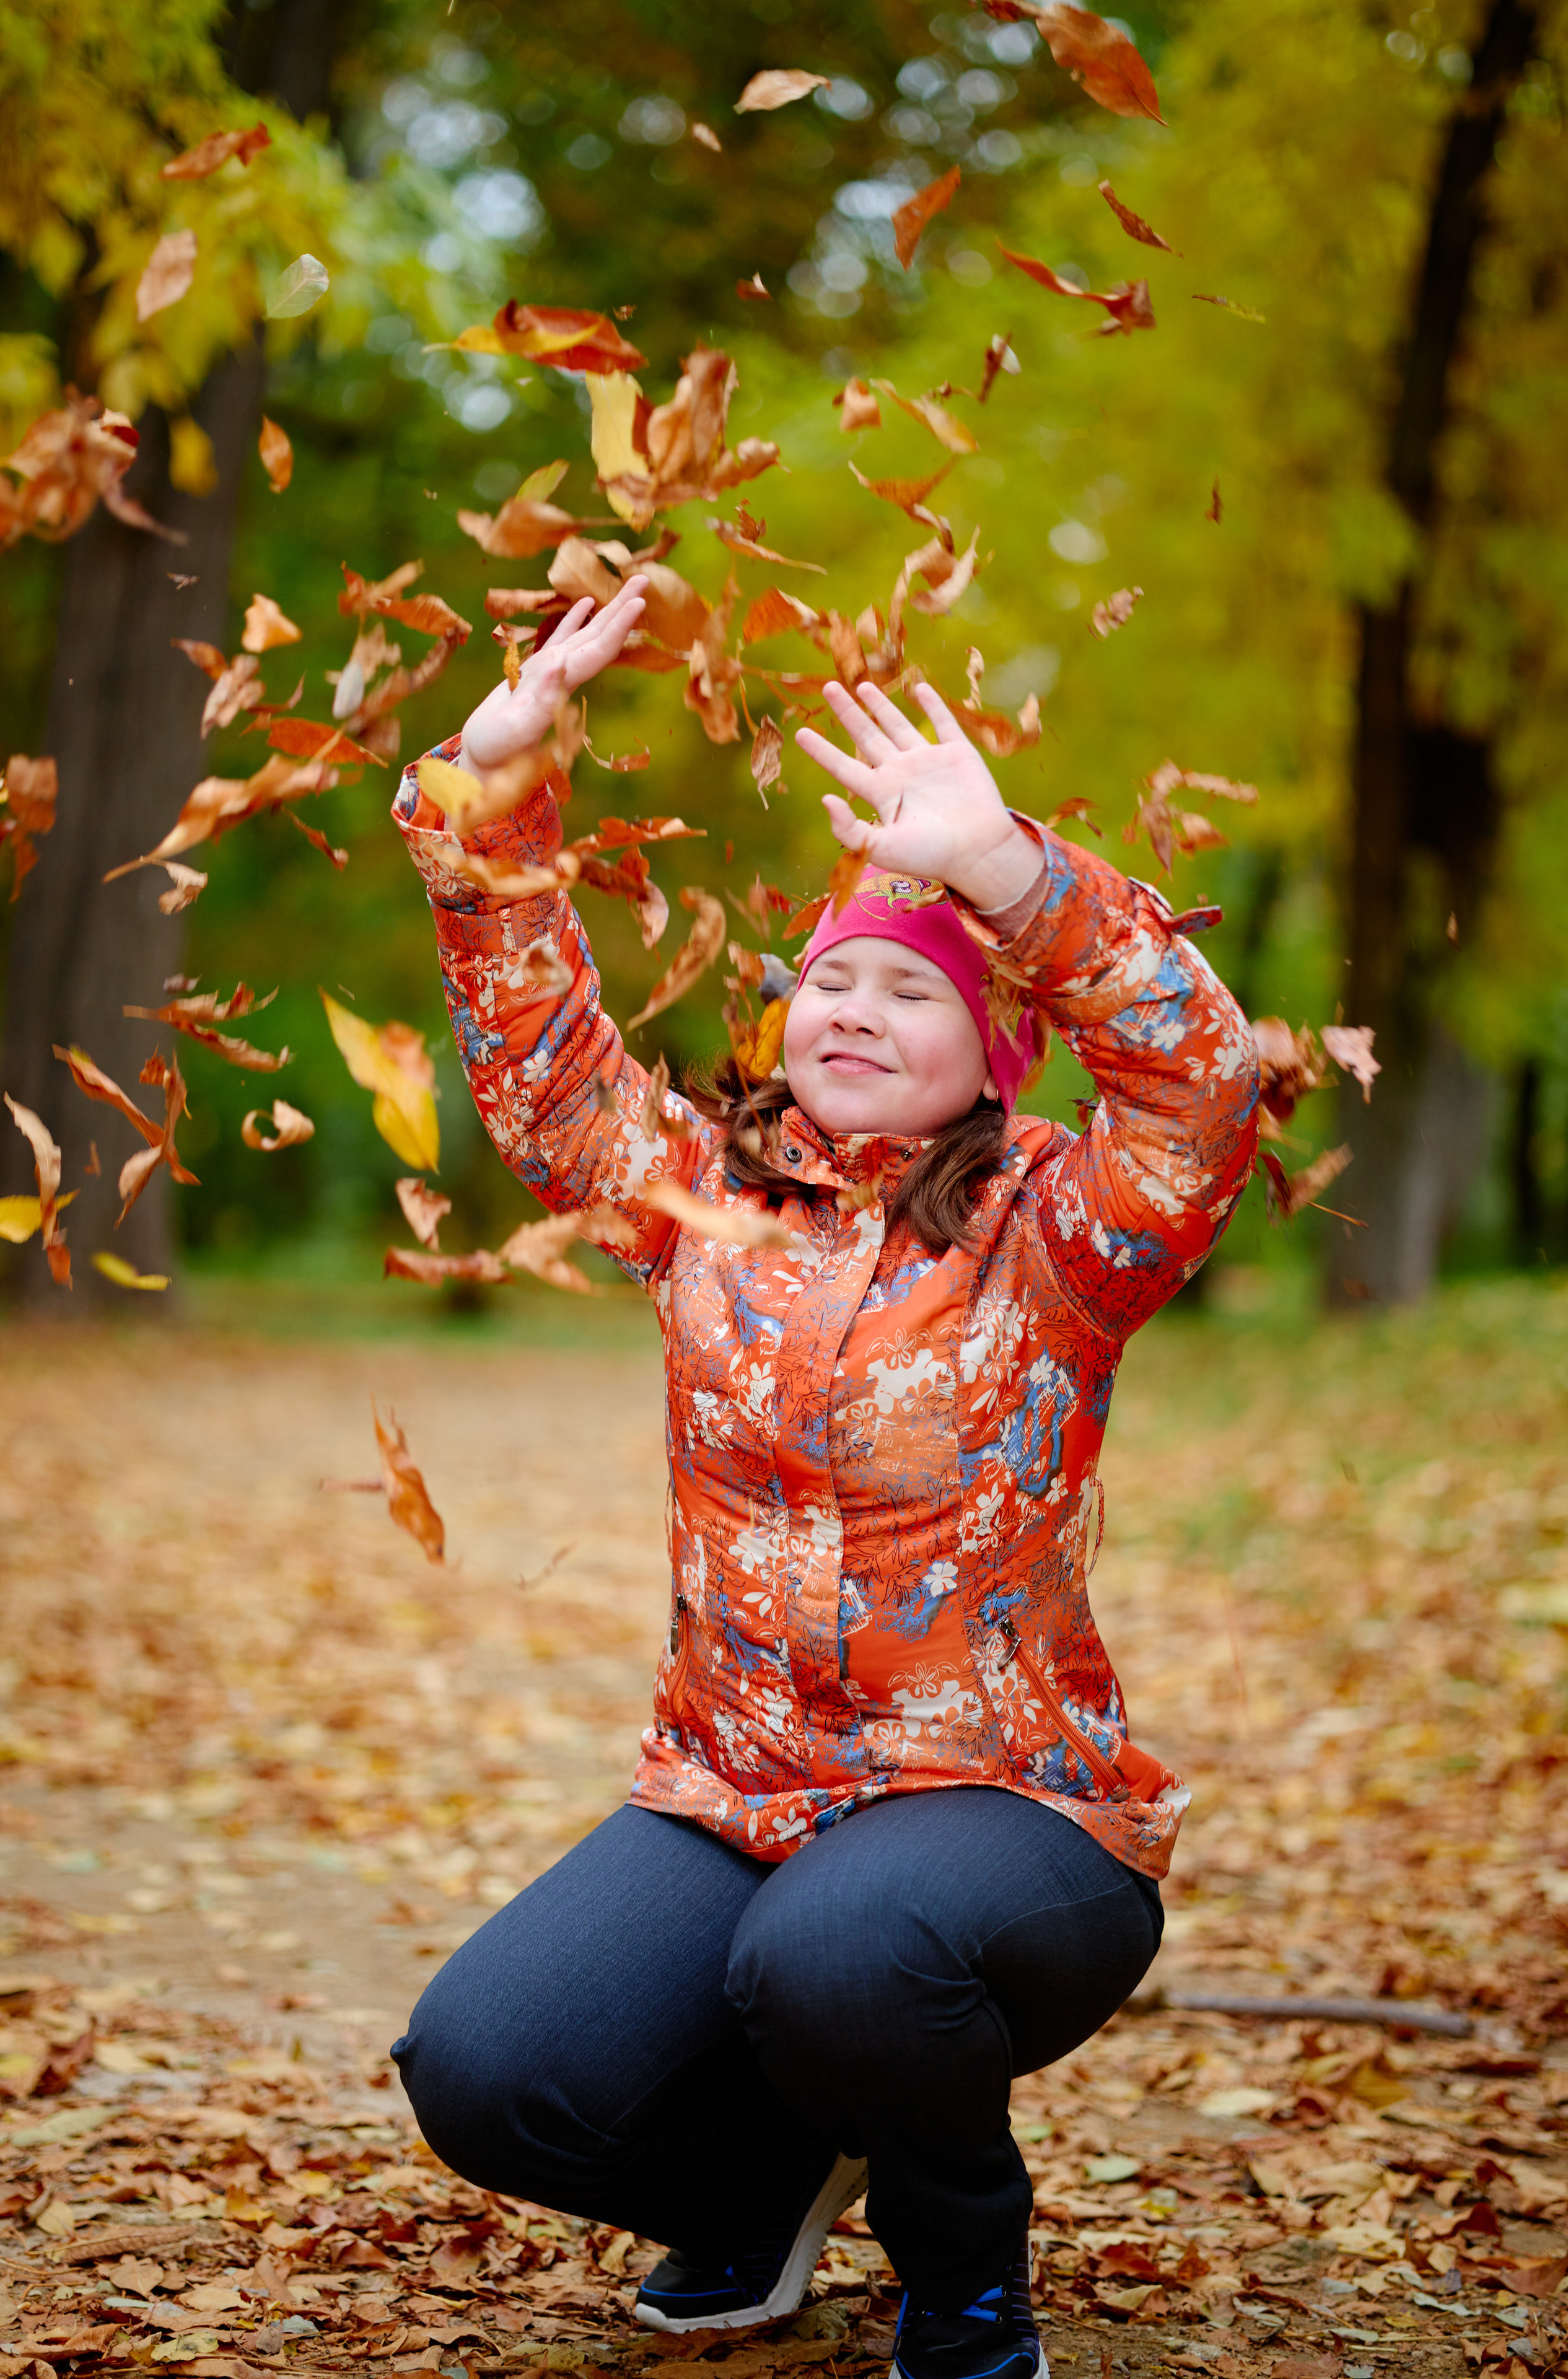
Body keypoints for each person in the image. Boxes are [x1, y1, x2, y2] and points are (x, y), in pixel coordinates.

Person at [390, 577, 1258, 2379]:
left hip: (1012, 1816)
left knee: (837, 1958)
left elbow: (1199, 1086)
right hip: (736, 1796)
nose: (849, 1007)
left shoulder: (1062, 1232)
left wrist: (1017, 883)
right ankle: (776, 2176)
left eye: (905, 992)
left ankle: (964, 2283)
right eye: (826, 982)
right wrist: (495, 784)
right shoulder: (705, 1204)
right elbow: (540, 1063)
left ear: (991, 1057)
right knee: (484, 2076)